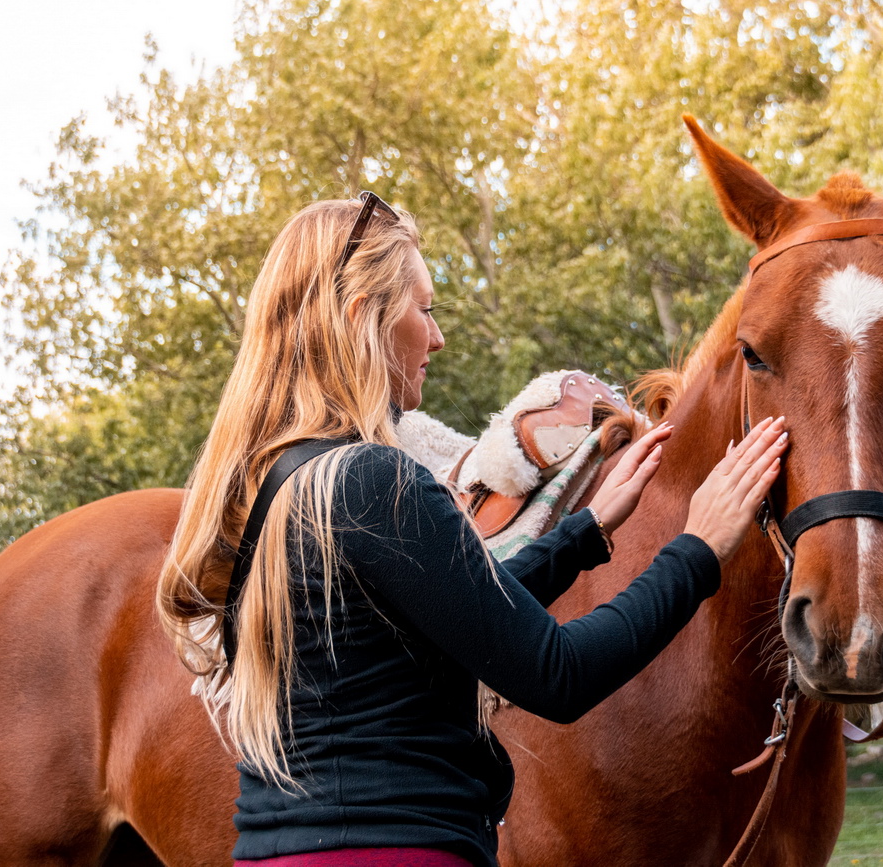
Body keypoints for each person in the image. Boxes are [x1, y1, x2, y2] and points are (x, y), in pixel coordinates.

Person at [156, 193, 787, 867]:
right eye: (424, 309)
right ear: (358, 317)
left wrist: (589, 532)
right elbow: (556, 672)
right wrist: (697, 548)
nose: (436, 337)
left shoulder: (279, 485)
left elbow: (457, 614)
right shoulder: (375, 482)